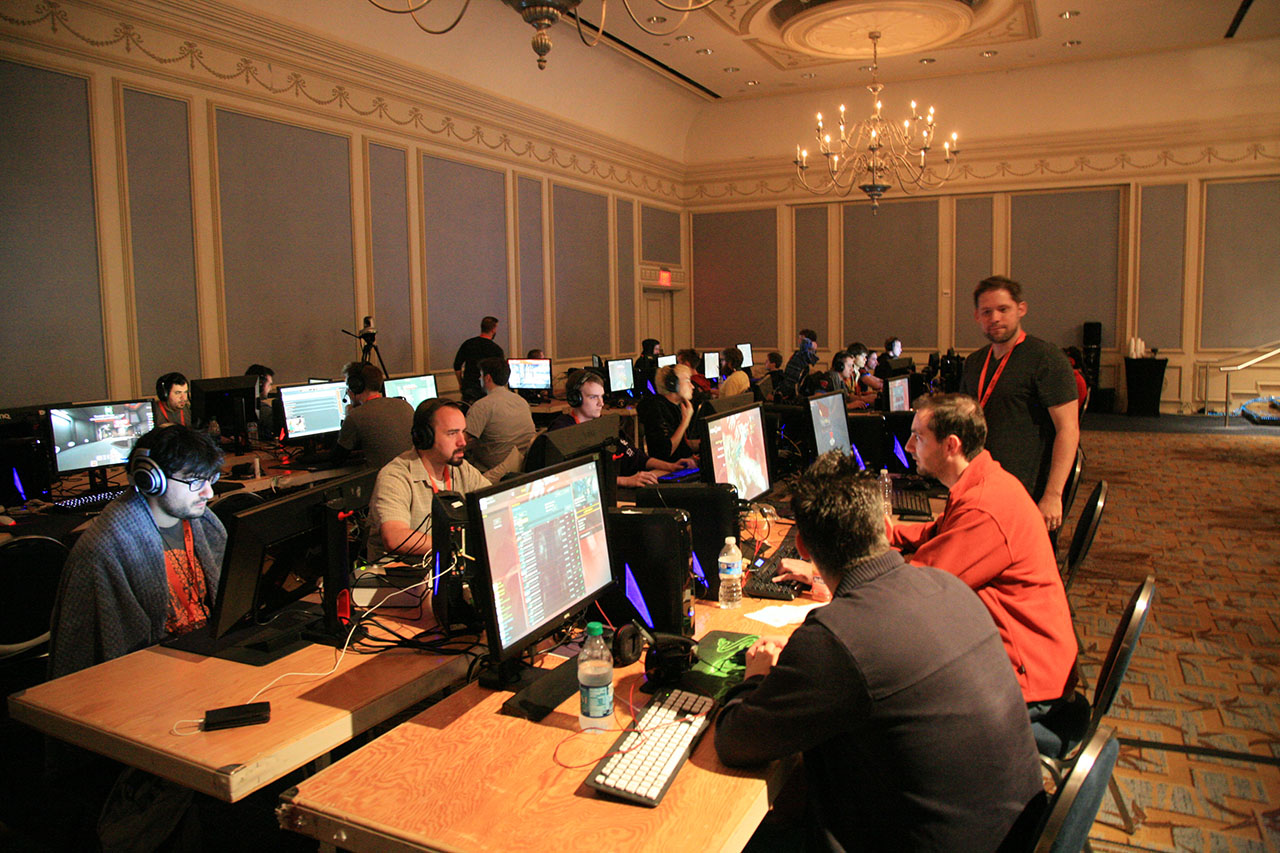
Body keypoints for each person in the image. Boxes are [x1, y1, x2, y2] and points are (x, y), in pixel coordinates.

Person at [714, 453, 1045, 852]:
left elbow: (734, 741)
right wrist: (810, 662)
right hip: (1015, 835)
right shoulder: (949, 587)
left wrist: (755, 677)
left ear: (802, 546)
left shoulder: (835, 640)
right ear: (884, 527)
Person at [890, 394, 1076, 718]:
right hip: (1021, 663)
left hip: (1027, 688)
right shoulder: (984, 480)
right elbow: (938, 533)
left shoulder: (983, 507)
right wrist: (884, 533)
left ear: (951, 445)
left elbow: (919, 590)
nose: (907, 446)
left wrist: (839, 571)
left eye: (918, 436)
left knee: (889, 697)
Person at [49, 425, 226, 678]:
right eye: (194, 481)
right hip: (152, 673)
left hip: (208, 654)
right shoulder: (105, 549)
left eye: (210, 479)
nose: (208, 492)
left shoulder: (204, 523)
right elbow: (102, 659)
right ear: (151, 480)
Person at [962, 276, 1080, 530]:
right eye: (987, 312)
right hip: (982, 484)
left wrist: (1053, 495)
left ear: (1021, 309)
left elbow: (1068, 430)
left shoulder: (1046, 359)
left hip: (1027, 489)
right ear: (977, 316)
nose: (995, 318)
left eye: (1003, 309)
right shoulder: (974, 363)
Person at [367, 399, 489, 561]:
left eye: (463, 432)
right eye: (452, 433)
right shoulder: (395, 476)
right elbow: (395, 537)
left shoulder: (461, 469)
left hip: (449, 564)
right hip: (406, 572)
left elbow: (493, 506)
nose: (462, 442)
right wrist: (458, 545)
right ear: (425, 437)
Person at [549, 371, 694, 487]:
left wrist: (671, 466)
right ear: (575, 399)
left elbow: (636, 457)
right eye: (593, 397)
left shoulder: (603, 427)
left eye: (601, 396)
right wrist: (625, 481)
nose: (601, 403)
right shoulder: (562, 432)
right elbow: (572, 478)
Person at [332, 362, 414, 471]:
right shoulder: (404, 405)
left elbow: (337, 459)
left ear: (356, 387)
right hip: (415, 476)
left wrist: (346, 417)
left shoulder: (356, 415)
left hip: (386, 479)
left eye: (349, 385)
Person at [465, 356, 536, 481]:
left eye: (481, 375)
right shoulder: (521, 401)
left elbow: (463, 442)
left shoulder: (482, 406)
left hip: (494, 472)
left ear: (488, 378)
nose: (479, 378)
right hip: (522, 465)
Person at [636, 364, 698, 463]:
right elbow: (664, 452)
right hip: (668, 468)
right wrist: (685, 421)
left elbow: (682, 445)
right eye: (687, 381)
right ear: (672, 384)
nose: (692, 386)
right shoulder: (656, 409)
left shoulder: (677, 406)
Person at [453, 315, 504, 404]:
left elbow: (457, 365)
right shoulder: (496, 350)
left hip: (469, 387)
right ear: (493, 329)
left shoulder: (468, 344)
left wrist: (461, 383)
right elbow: (499, 372)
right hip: (487, 389)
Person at [777, 328, 819, 401]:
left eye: (801, 338)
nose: (799, 341)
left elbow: (792, 379)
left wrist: (812, 344)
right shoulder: (800, 354)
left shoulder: (804, 355)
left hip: (790, 392)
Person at [244, 363, 276, 440]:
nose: (270, 388)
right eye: (269, 384)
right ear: (260, 385)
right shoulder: (263, 410)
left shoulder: (241, 404)